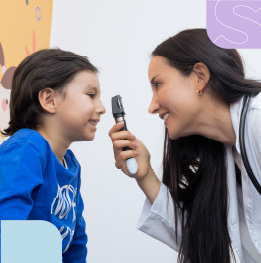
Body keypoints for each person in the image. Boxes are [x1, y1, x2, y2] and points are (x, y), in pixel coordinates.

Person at [109, 29, 261, 263]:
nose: (151, 106)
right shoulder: (219, 151)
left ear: (199, 77)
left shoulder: (257, 121)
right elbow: (201, 238)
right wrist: (146, 175)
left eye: (158, 84)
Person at [0, 49, 106, 262]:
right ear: (49, 99)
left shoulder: (71, 165)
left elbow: (76, 241)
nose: (102, 108)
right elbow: (6, 226)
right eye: (91, 95)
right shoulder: (27, 148)